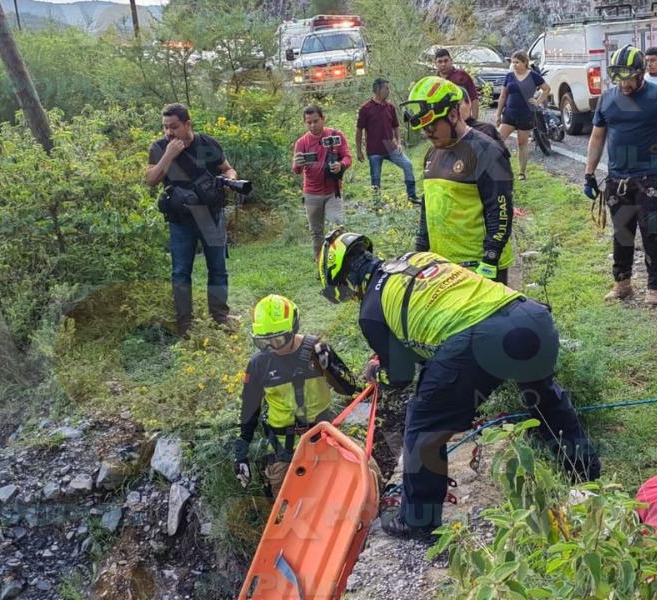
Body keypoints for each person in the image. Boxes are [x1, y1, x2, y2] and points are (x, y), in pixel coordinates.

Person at [317, 229, 601, 538]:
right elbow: (442, 314)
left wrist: (378, 374)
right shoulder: (418, 258)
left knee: (424, 424)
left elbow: (399, 377)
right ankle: (586, 477)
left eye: (343, 292)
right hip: (530, 319)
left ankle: (418, 520)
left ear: (346, 280)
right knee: (544, 399)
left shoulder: (371, 310)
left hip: (481, 341)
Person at [583, 44, 657, 306]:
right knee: (621, 233)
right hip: (618, 179)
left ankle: (655, 286)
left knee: (651, 233)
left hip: (650, 178)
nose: (623, 83)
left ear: (641, 74)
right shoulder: (607, 99)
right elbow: (597, 138)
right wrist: (589, 173)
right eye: (618, 78)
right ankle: (622, 283)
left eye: (628, 77)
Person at [234, 294, 359, 495]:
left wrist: (330, 369)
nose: (272, 348)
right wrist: (240, 454)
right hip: (285, 447)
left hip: (324, 435)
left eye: (278, 339)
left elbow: (349, 389)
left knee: (364, 469)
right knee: (286, 497)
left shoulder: (317, 350)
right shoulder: (259, 365)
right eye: (263, 342)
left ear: (294, 328)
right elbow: (249, 411)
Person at [400, 76, 515, 284]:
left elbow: (500, 210)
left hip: (479, 266)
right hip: (443, 266)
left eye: (433, 127)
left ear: (453, 115)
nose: (428, 134)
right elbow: (429, 206)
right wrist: (420, 251)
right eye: (424, 130)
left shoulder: (486, 151)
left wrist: (490, 259)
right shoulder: (432, 153)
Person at [146, 103, 238, 336]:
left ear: (188, 124)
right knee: (180, 272)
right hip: (180, 220)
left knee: (217, 269)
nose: (169, 132)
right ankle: (185, 325)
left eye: (174, 127)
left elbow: (227, 169)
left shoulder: (207, 144)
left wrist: (229, 180)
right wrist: (169, 154)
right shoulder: (159, 148)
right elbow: (151, 180)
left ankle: (220, 317)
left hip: (211, 215)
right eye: (165, 127)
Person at [293, 105, 352, 262]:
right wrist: (297, 163)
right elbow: (296, 170)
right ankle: (320, 264)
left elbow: (347, 157)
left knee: (338, 227)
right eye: (309, 122)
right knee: (316, 232)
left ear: (323, 119)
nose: (313, 125)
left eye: (316, 121)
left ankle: (339, 262)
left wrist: (341, 165)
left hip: (333, 191)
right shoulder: (302, 142)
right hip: (312, 193)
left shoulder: (336, 135)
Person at [355, 78, 418, 202]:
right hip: (374, 148)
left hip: (390, 146)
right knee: (376, 178)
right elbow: (359, 130)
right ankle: (377, 202)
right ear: (378, 90)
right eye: (386, 89)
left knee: (407, 165)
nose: (389, 91)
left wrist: (399, 142)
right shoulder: (366, 108)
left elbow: (396, 126)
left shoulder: (390, 107)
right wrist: (359, 151)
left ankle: (412, 196)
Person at [495, 50, 551, 180]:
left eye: (517, 62)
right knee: (497, 140)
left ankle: (522, 172)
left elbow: (547, 89)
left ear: (525, 62)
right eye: (513, 62)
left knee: (522, 143)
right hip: (509, 113)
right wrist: (498, 114)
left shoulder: (533, 75)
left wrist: (538, 102)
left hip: (526, 114)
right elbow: (503, 96)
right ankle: (499, 167)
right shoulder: (509, 76)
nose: (514, 65)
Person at [434, 47, 480, 120]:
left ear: (451, 61)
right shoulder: (434, 80)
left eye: (446, 61)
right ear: (435, 64)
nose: (443, 64)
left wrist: (474, 120)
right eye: (440, 62)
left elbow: (474, 99)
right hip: (443, 122)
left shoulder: (462, 75)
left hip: (463, 120)